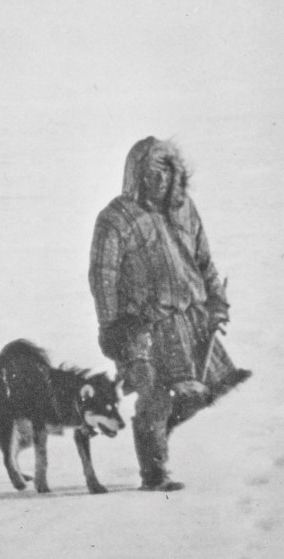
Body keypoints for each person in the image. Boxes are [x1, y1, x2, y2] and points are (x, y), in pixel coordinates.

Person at [88, 136, 251, 492]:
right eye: (149, 172)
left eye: (165, 170)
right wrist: (112, 327)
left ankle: (155, 431)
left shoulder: (183, 207)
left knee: (202, 392)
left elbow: (204, 260)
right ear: (136, 175)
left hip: (190, 317)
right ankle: (154, 473)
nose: (158, 179)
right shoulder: (116, 218)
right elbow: (103, 276)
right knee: (156, 396)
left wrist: (217, 303)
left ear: (174, 172)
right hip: (142, 325)